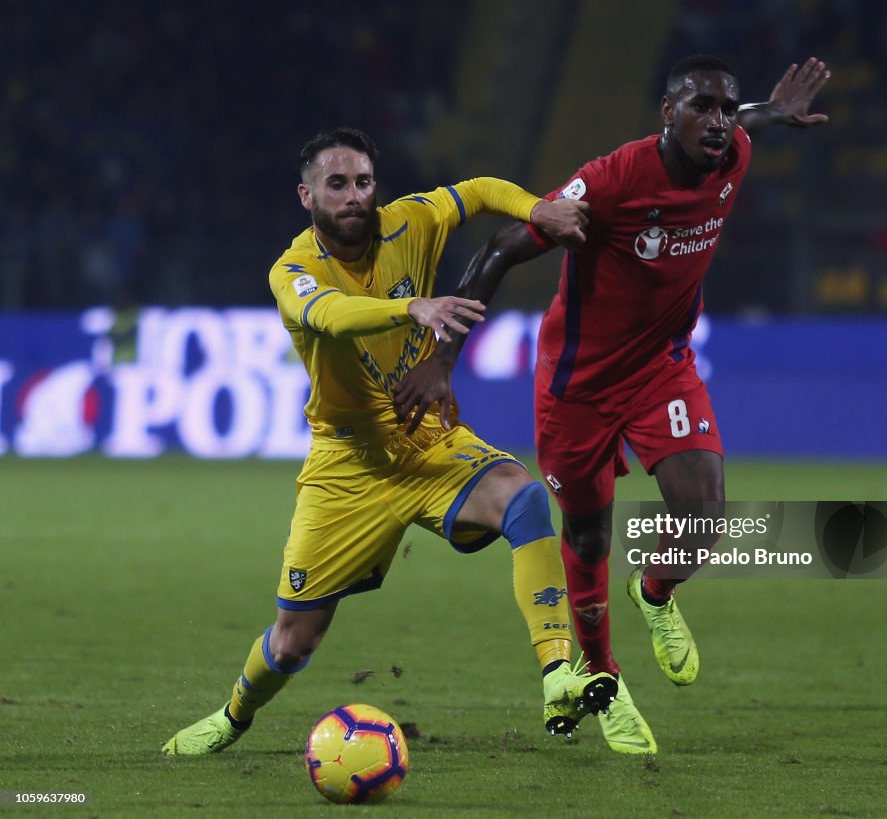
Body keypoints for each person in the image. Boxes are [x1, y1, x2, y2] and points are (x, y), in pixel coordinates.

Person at [392, 56, 831, 755]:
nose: (718, 122)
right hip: (579, 388)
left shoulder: (733, 152)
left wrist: (771, 112)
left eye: (727, 108)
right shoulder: (610, 181)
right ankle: (603, 676)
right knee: (590, 539)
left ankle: (654, 593)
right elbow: (503, 247)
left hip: (662, 370)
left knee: (705, 513)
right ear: (667, 113)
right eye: (702, 108)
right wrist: (444, 360)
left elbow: (742, 125)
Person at [162, 127, 614, 756]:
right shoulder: (294, 270)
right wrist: (413, 311)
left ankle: (559, 669)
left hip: (424, 443)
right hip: (347, 465)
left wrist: (536, 208)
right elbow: (331, 316)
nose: (354, 196)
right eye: (337, 184)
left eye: (364, 182)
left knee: (525, 499)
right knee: (295, 641)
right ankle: (233, 716)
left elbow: (480, 191)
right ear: (307, 195)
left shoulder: (411, 222)